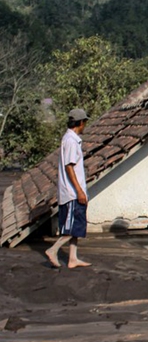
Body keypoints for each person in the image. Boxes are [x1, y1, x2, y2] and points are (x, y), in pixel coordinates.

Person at [45, 108, 92, 269]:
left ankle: (73, 258)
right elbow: (69, 167)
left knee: (76, 225)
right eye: (84, 122)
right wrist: (79, 191)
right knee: (72, 227)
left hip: (71, 191)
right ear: (80, 123)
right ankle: (53, 250)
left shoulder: (70, 139)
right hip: (72, 193)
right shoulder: (71, 141)